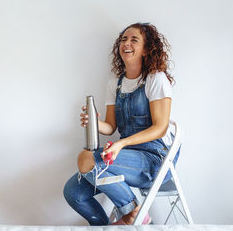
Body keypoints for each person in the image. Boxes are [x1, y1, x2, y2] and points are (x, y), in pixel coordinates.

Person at [63, 22, 179, 226]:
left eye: (135, 39)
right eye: (124, 39)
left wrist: (121, 144)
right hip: (126, 156)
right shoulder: (115, 84)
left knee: (87, 159)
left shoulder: (155, 79)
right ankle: (113, 224)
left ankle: (134, 213)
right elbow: (110, 127)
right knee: (74, 192)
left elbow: (160, 128)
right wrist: (95, 124)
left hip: (155, 160)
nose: (127, 43)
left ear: (146, 49)